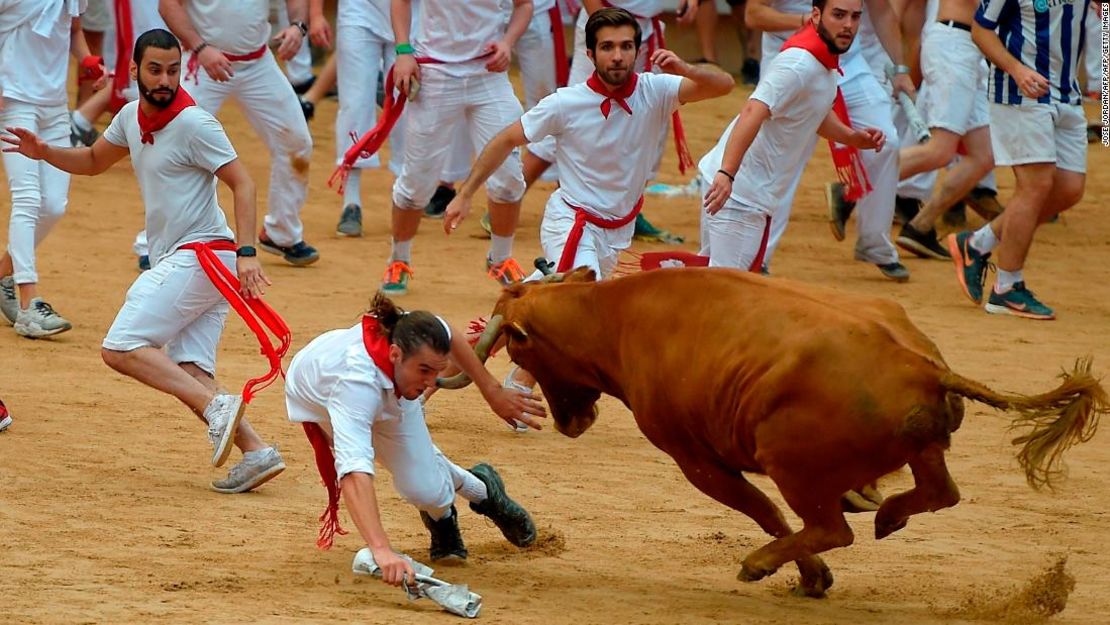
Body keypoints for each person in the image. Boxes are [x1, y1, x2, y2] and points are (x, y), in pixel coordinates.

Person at [2, 29, 287, 491]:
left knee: (120, 347)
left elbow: (244, 183)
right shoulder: (132, 117)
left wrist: (248, 253)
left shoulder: (197, 124)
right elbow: (95, 160)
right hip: (197, 263)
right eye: (155, 69)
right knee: (190, 372)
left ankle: (219, 409)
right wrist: (44, 152)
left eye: (173, 70)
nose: (165, 80)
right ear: (134, 70)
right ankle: (257, 452)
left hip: (204, 256)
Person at [443, 7, 733, 395]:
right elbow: (505, 140)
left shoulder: (657, 90)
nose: (618, 56)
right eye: (608, 47)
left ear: (637, 50)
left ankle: (443, 367)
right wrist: (464, 194)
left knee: (523, 305)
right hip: (573, 220)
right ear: (591, 54)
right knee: (580, 308)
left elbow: (724, 85)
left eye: (627, 46)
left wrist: (686, 67)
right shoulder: (566, 102)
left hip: (615, 232)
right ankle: (524, 378)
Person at [288, 293, 546, 580]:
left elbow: (450, 333)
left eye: (436, 371)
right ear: (395, 354)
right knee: (371, 451)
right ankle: (465, 502)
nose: (430, 383)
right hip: (321, 396)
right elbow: (354, 471)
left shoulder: (417, 332)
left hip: (384, 385)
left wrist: (492, 392)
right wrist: (381, 549)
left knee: (425, 490)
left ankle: (479, 492)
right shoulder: (355, 386)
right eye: (424, 370)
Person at [701, 0, 885, 270]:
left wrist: (853, 138)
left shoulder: (824, 57)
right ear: (815, 15)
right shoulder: (799, 63)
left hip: (743, 189)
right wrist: (728, 174)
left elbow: (816, 113)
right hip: (739, 195)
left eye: (855, 17)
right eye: (839, 15)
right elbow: (753, 110)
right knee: (728, 292)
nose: (848, 25)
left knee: (712, 283)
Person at [945, 0, 1090, 319]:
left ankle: (977, 243)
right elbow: (982, 30)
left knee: (1069, 189)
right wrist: (1016, 68)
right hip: (1019, 91)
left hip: (1067, 93)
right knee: (1035, 186)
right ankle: (1006, 288)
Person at [378, 0, 534, 294]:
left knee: (510, 176)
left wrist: (507, 42)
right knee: (416, 182)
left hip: (488, 74)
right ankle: (398, 259)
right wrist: (403, 50)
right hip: (435, 74)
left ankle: (501, 258)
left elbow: (524, 5)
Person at [748, 0, 910, 280]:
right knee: (785, 160)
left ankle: (874, 243)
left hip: (848, 64)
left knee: (887, 143)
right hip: (792, 62)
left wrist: (900, 69)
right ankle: (758, 255)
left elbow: (882, 11)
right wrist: (807, 23)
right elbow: (754, 14)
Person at [154, 0, 319, 267]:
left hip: (258, 63)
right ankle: (159, 241)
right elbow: (168, 4)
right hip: (203, 62)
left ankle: (282, 232)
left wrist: (298, 26)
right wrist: (201, 47)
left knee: (297, 143)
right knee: (174, 147)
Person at [0, 0, 105, 338]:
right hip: (13, 99)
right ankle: (30, 305)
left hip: (53, 104)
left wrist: (87, 60)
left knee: (54, 205)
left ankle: (3, 273)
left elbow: (72, 30)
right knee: (28, 198)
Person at [890, 0, 994, 261]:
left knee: (984, 156)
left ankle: (919, 226)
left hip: (968, 47)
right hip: (954, 44)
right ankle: (853, 187)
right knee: (940, 150)